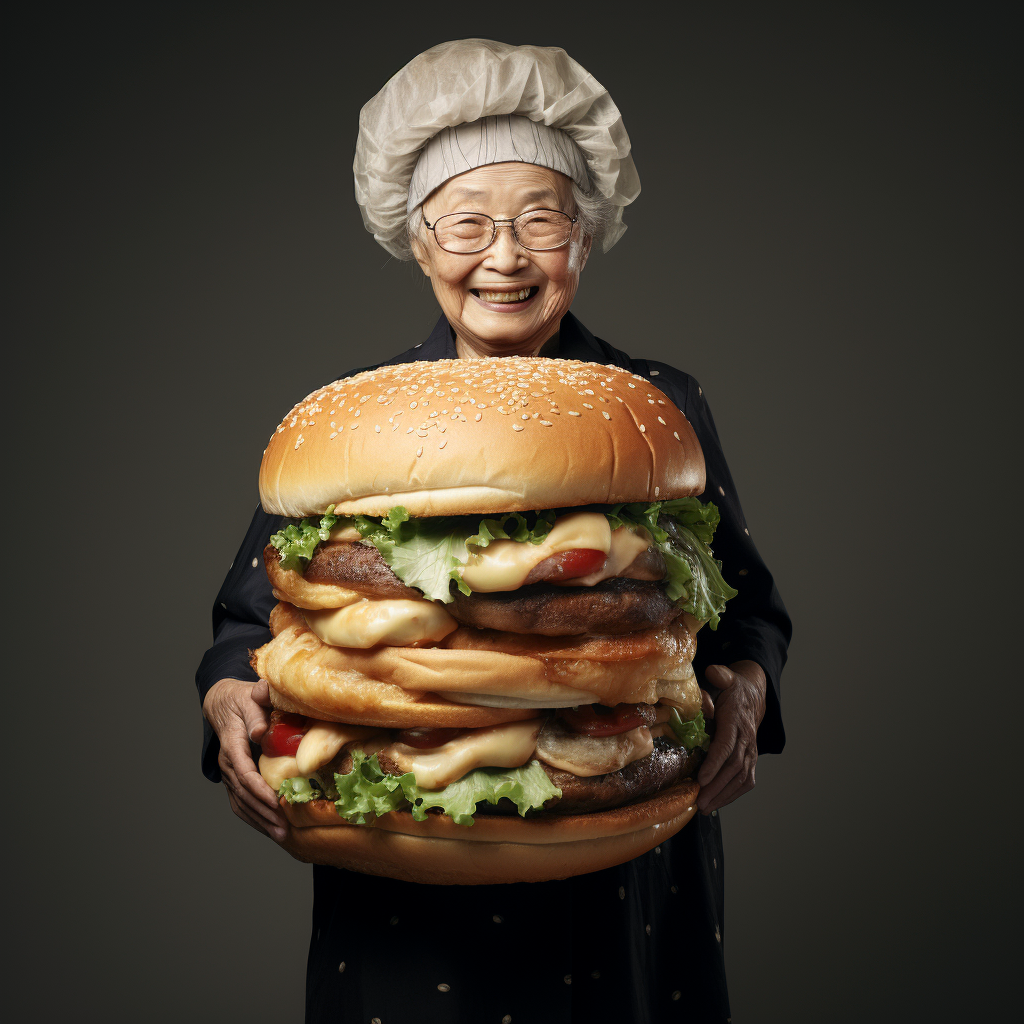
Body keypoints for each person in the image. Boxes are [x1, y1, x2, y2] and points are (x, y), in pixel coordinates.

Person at [197, 40, 791, 1024]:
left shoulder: (658, 404)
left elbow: (743, 606)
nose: (504, 257)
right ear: (418, 242)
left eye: (538, 222)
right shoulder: (351, 424)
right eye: (467, 224)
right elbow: (250, 618)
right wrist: (228, 700)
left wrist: (742, 685)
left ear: (584, 239)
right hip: (401, 867)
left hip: (626, 870)